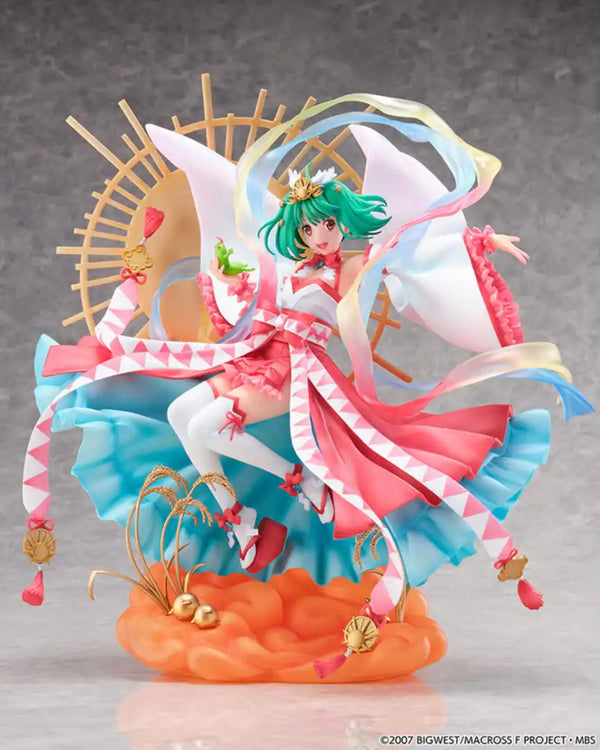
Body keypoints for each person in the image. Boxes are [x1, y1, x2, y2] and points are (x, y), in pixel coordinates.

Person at [22, 95, 592, 619]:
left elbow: (412, 243)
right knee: (179, 415)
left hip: (296, 372)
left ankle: (303, 481)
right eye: (312, 226)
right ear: (298, 228)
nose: (322, 234)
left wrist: (482, 241)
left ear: (343, 222)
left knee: (209, 426)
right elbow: (246, 291)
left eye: (330, 224)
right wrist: (232, 283)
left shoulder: (353, 266)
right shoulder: (291, 266)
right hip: (256, 357)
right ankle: (243, 524)